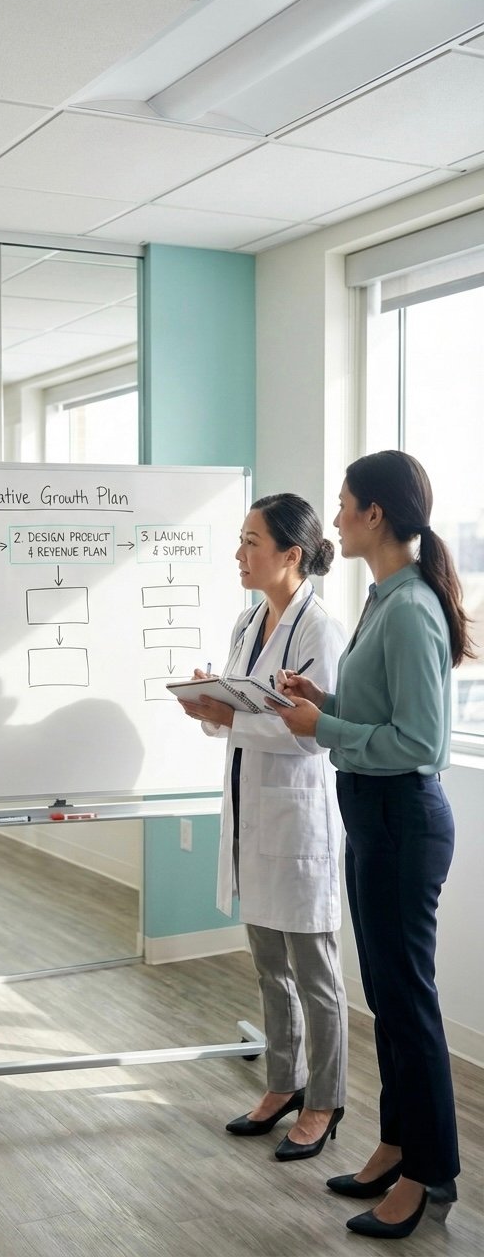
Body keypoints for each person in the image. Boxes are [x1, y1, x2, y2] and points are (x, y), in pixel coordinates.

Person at [274, 451, 471, 1239]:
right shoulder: (384, 599)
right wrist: (321, 701)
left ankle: (429, 1177)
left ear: (375, 516)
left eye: (345, 503)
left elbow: (419, 743)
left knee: (408, 1005)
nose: (338, 515)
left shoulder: (413, 608)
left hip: (401, 820)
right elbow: (377, 711)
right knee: (388, 999)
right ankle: (394, 1145)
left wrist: (323, 728)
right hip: (376, 818)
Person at [178, 494, 348, 1161]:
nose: (240, 554)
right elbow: (247, 712)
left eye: (252, 542)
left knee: (316, 977)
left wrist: (228, 717)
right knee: (270, 968)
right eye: (240, 540)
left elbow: (310, 737)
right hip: (254, 817)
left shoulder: (320, 631)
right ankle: (284, 1083)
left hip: (297, 821)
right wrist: (208, 701)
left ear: (291, 555)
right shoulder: (249, 622)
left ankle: (326, 1100)